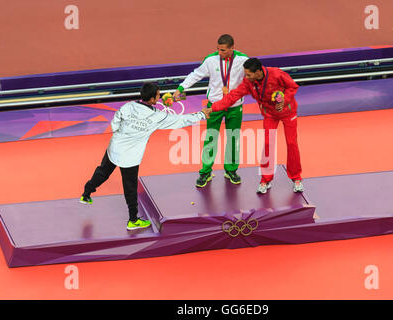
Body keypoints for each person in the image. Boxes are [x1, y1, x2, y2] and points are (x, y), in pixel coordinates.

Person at [80, 83, 211, 230]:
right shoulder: (157, 117)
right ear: (153, 99)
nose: (160, 96)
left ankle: (86, 193)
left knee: (103, 172)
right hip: (130, 157)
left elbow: (115, 121)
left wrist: (119, 134)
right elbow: (179, 121)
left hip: (114, 147)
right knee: (130, 187)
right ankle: (133, 220)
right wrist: (200, 114)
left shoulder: (128, 106)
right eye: (158, 95)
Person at [209, 58, 304, 194]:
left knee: (291, 143)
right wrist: (213, 108)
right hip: (269, 115)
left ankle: (296, 178)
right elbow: (233, 96)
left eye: (248, 74)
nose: (246, 77)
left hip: (288, 112)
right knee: (267, 144)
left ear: (258, 72)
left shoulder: (276, 74)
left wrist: (284, 99)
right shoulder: (249, 82)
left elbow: (293, 86)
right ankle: (265, 179)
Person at [173, 34, 249, 188]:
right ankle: (206, 172)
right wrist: (181, 88)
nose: (220, 53)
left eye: (223, 50)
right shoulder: (210, 60)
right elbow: (196, 75)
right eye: (218, 49)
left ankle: (231, 170)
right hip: (214, 106)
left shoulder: (243, 60)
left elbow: (252, 77)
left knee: (233, 139)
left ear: (232, 48)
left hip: (234, 106)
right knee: (211, 138)